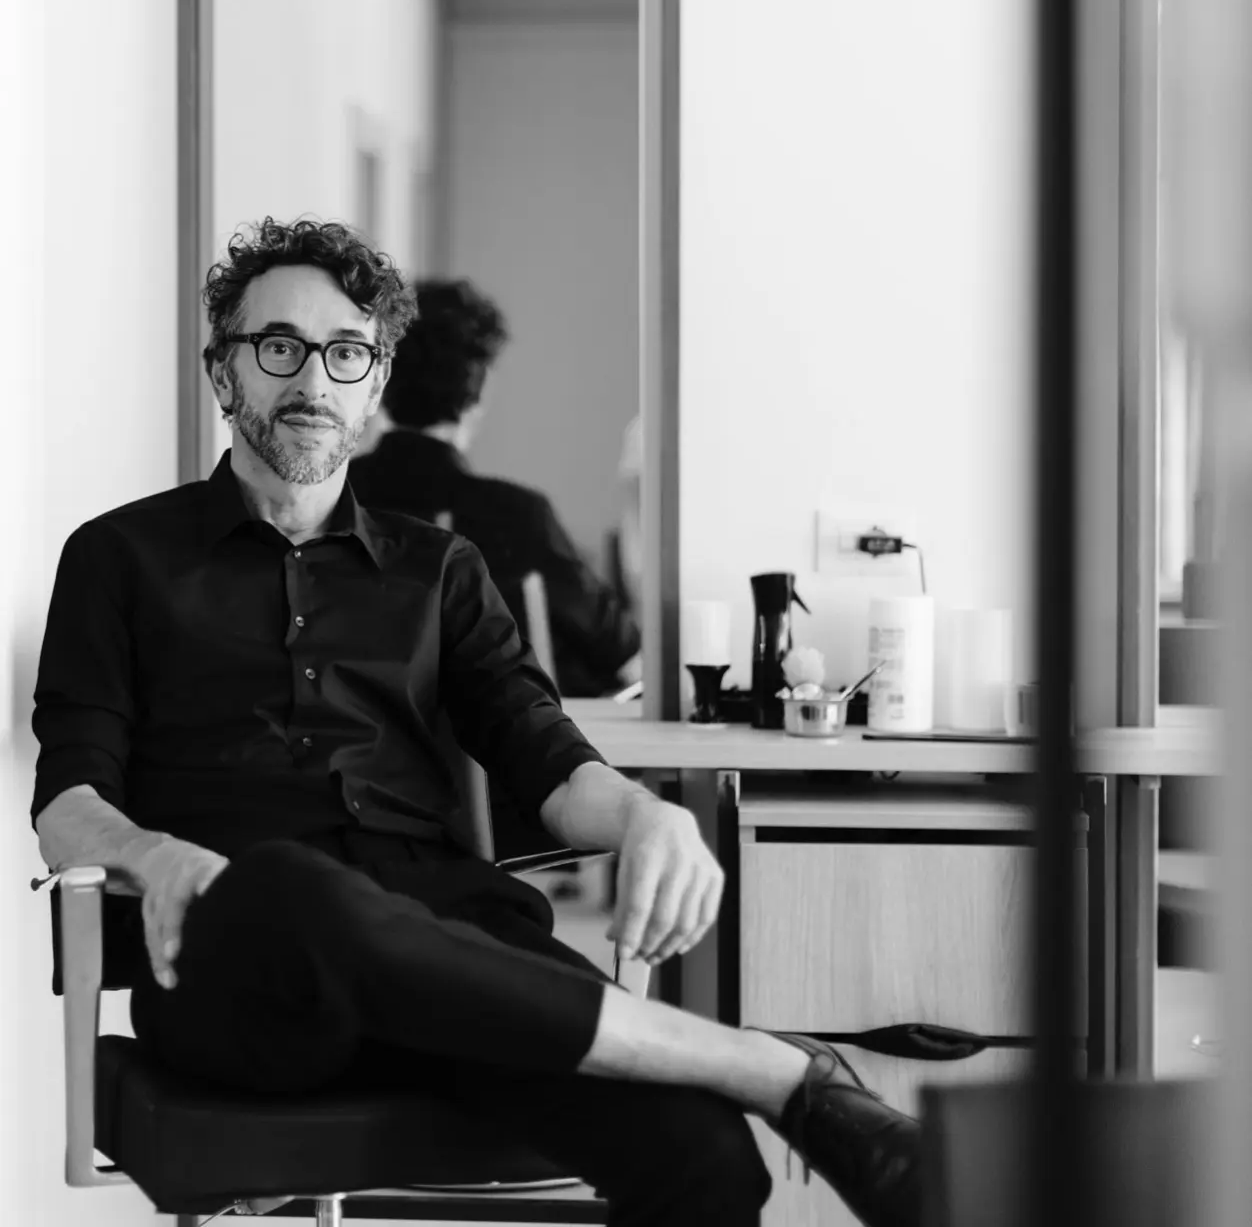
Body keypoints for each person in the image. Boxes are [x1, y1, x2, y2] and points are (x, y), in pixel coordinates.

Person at [30, 218, 919, 1227]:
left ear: (375, 385)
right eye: (278, 347)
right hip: (239, 967)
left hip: (447, 947)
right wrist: (153, 855)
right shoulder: (117, 558)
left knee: (704, 1155)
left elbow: (543, 753)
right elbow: (66, 803)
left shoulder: (441, 570)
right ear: (221, 371)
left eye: (346, 353)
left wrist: (645, 816)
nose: (313, 380)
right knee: (289, 885)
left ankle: (737, 1078)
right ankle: (763, 1065)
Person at [350, 278, 641, 697]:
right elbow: (624, 655)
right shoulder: (518, 516)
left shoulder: (332, 498)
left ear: (381, 378)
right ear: (480, 389)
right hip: (495, 735)